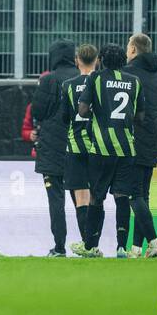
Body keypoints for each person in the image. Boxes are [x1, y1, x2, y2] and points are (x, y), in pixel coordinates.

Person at [78, 44, 148, 259]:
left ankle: (91, 246)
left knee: (96, 199)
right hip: (126, 149)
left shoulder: (95, 79)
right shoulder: (134, 81)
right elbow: (141, 117)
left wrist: (97, 113)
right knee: (122, 197)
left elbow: (82, 110)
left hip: (101, 148)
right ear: (122, 62)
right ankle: (120, 247)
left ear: (101, 60)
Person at [29, 40, 78, 256]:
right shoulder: (82, 78)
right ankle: (89, 244)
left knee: (56, 200)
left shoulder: (48, 80)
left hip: (52, 149)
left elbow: (37, 112)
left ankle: (59, 247)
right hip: (79, 148)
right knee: (83, 198)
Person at [124, 32, 157, 258]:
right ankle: (137, 249)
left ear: (133, 50)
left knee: (133, 195)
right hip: (152, 139)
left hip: (131, 140)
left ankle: (154, 241)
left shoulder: (126, 74)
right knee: (143, 195)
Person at [62, 43, 100, 256]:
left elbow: (64, 117)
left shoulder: (68, 85)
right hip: (98, 146)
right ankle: (96, 243)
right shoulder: (102, 82)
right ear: (97, 60)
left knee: (81, 198)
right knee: (98, 197)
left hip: (76, 146)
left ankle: (88, 245)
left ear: (77, 60)